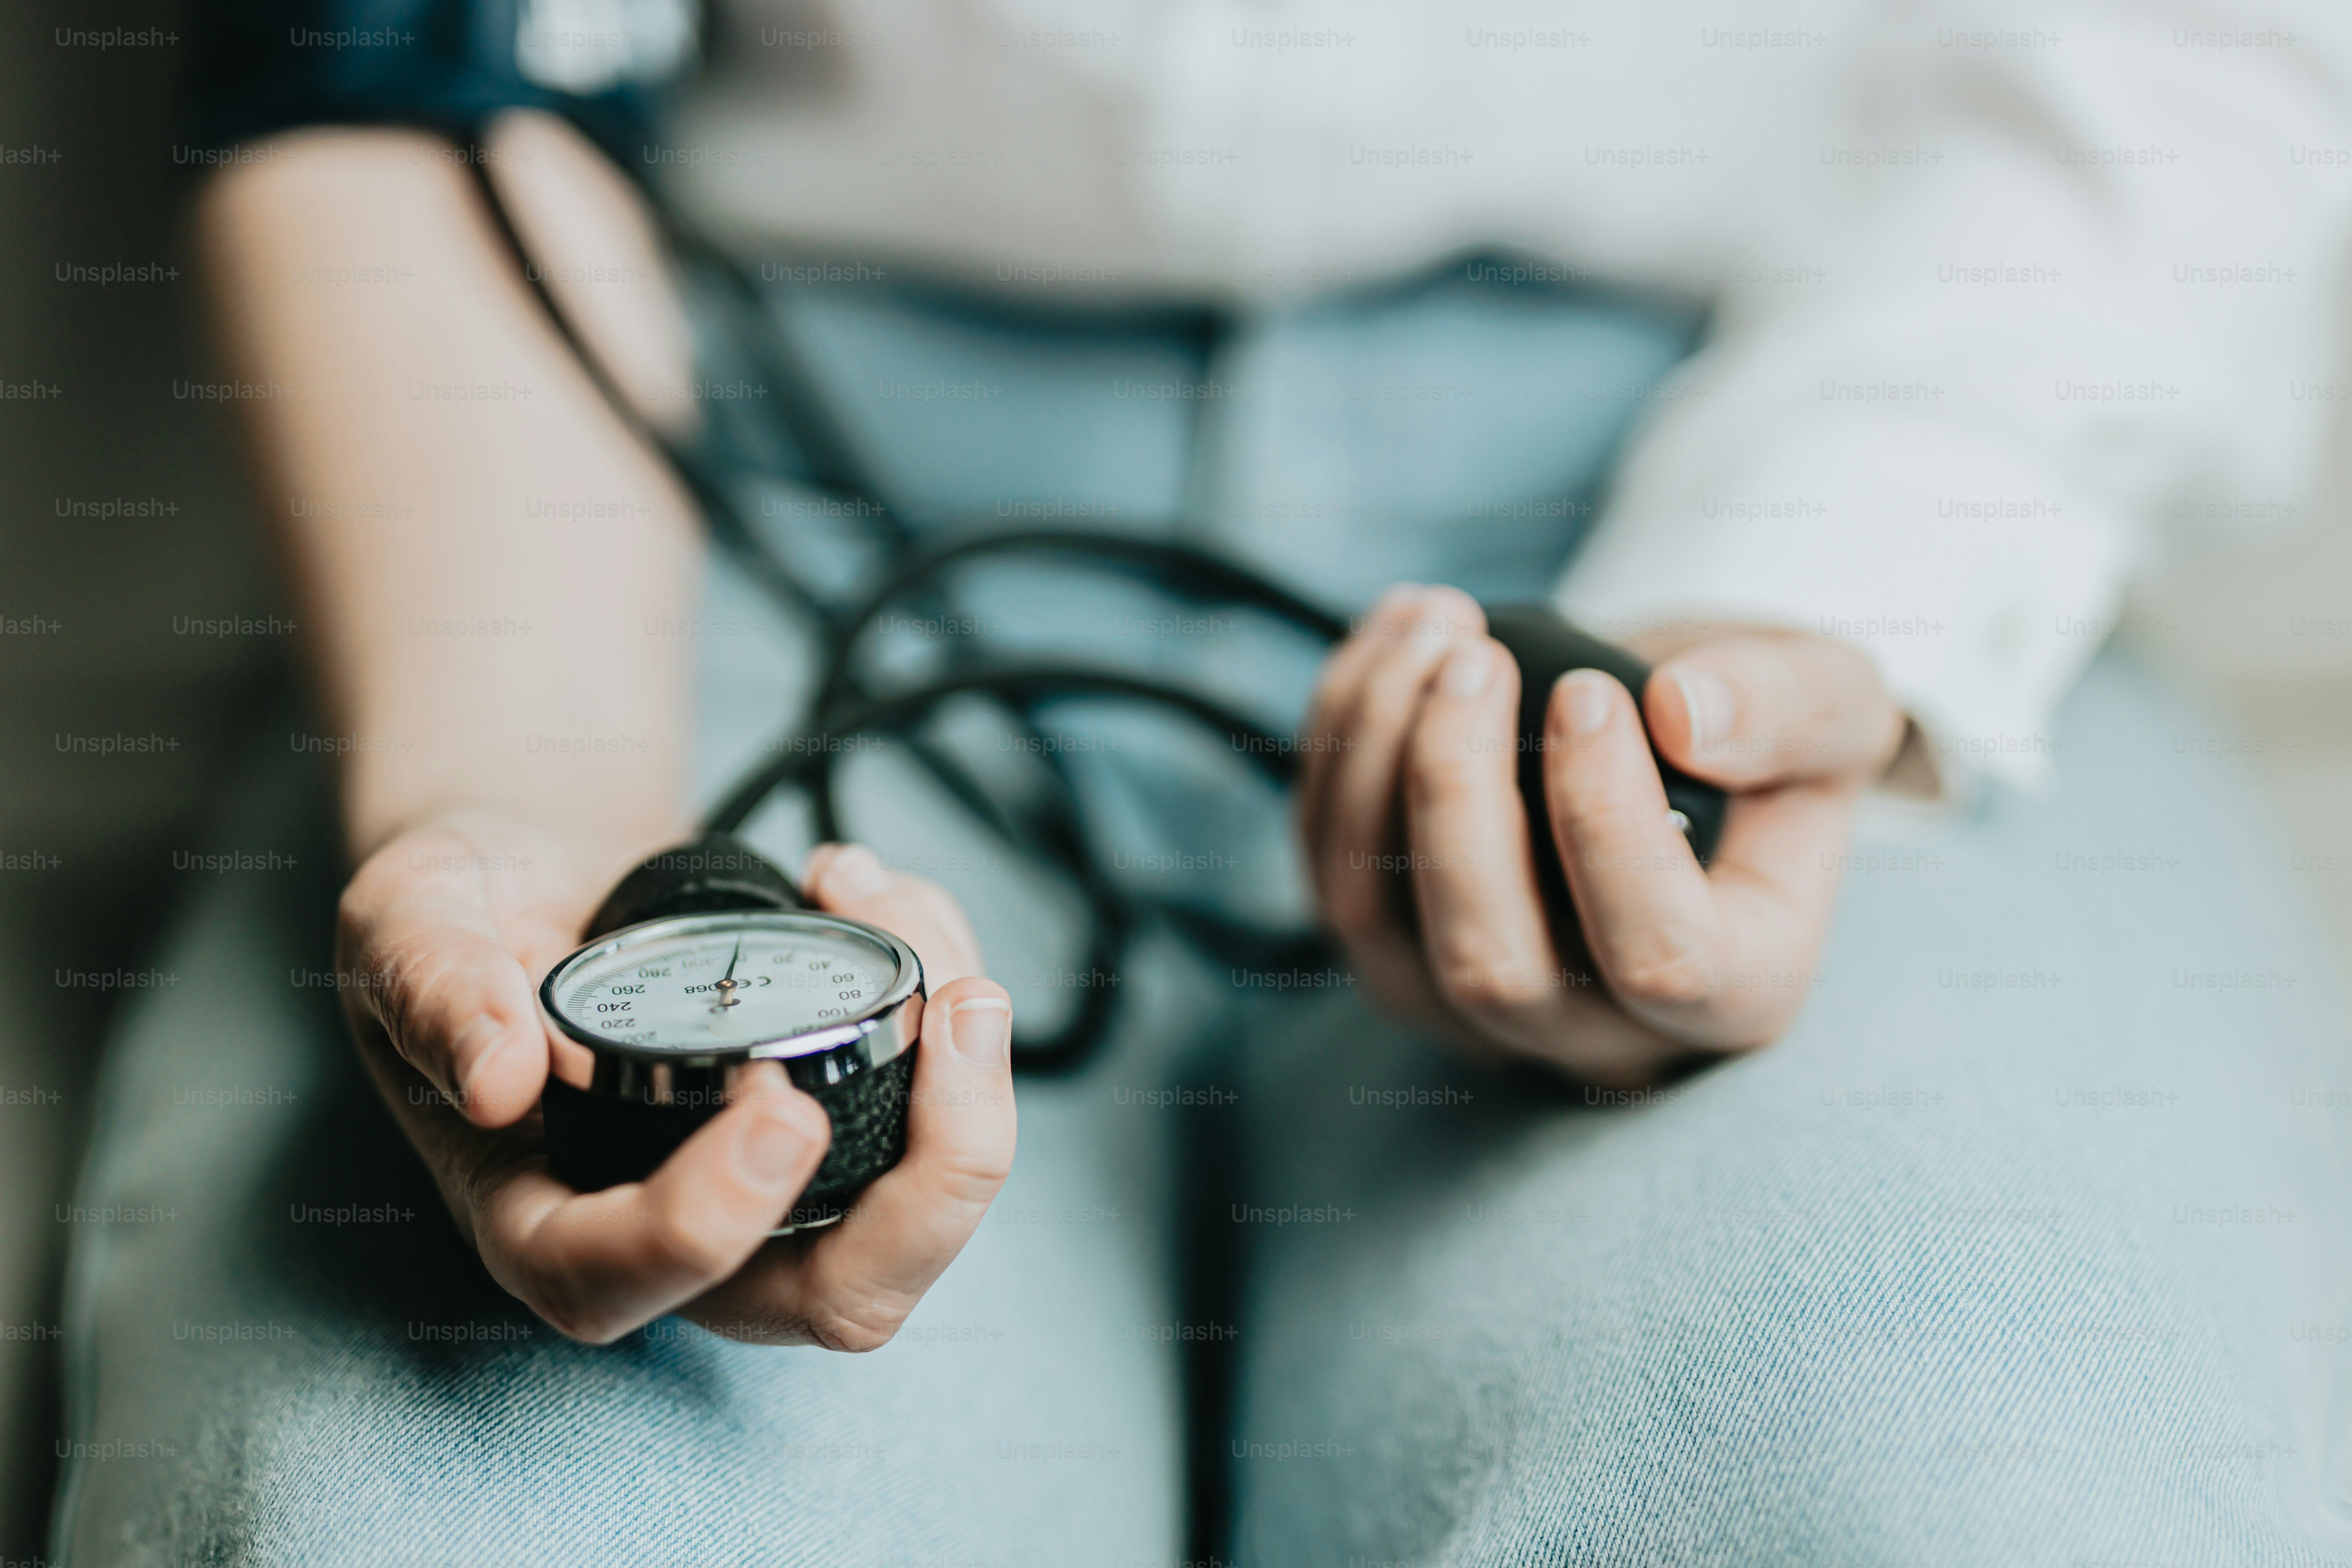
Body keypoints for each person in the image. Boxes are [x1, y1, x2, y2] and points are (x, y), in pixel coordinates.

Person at [49, 0, 2352, 1562]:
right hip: (665, 479)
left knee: (1963, 1471)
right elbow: (396, 46)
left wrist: (1822, 585)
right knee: (462, 1501)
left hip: (1834, 430)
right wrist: (526, 792)